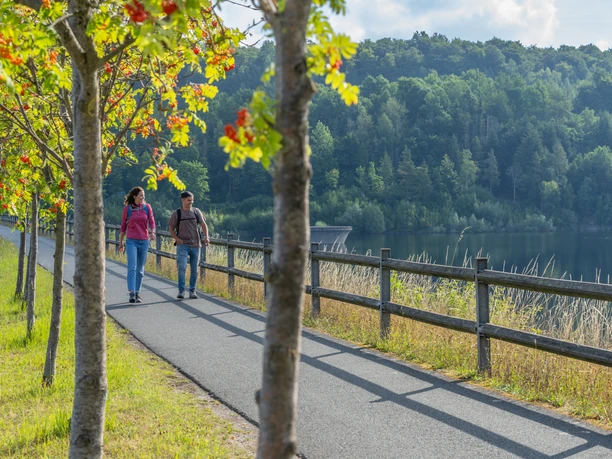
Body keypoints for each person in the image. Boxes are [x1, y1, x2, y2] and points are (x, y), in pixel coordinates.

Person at [168, 191, 209, 299]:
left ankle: (192, 290)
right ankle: (181, 291)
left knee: (194, 269)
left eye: (192, 200)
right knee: (182, 268)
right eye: (189, 200)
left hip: (196, 245)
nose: (191, 202)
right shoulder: (177, 213)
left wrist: (206, 237)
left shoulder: (196, 212)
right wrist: (177, 239)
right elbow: (171, 228)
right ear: (183, 200)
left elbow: (203, 224)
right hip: (182, 245)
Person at [119, 186, 156, 303]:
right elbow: (123, 226)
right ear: (134, 196)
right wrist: (120, 242)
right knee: (132, 267)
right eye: (140, 196)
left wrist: (153, 232)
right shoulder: (128, 209)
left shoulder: (147, 207)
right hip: (131, 241)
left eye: (143, 196)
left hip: (144, 241)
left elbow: (152, 221)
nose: (142, 198)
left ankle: (138, 292)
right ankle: (131, 293)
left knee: (140, 269)